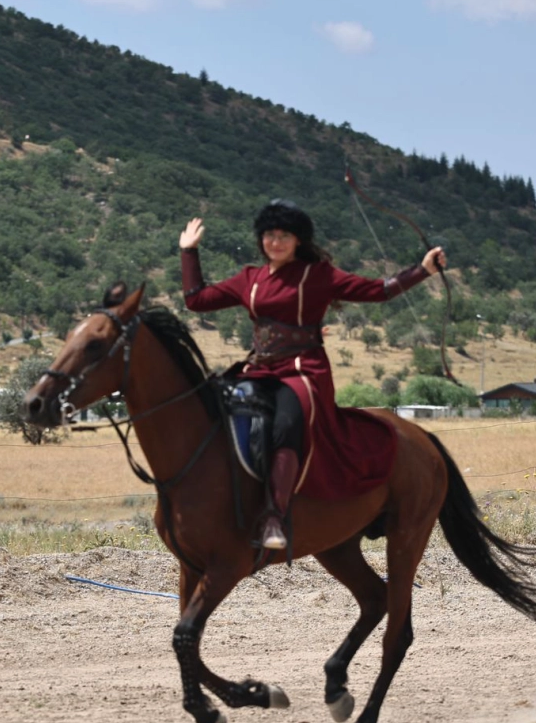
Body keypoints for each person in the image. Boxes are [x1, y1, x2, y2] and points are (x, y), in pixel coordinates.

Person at [179, 199, 446, 551]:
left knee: (287, 423)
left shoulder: (318, 275)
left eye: (284, 236)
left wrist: (423, 270)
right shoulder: (249, 279)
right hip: (259, 370)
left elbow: (378, 291)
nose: (276, 242)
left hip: (303, 372)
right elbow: (196, 300)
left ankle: (275, 516)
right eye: (270, 235)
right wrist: (189, 252)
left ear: (298, 240)